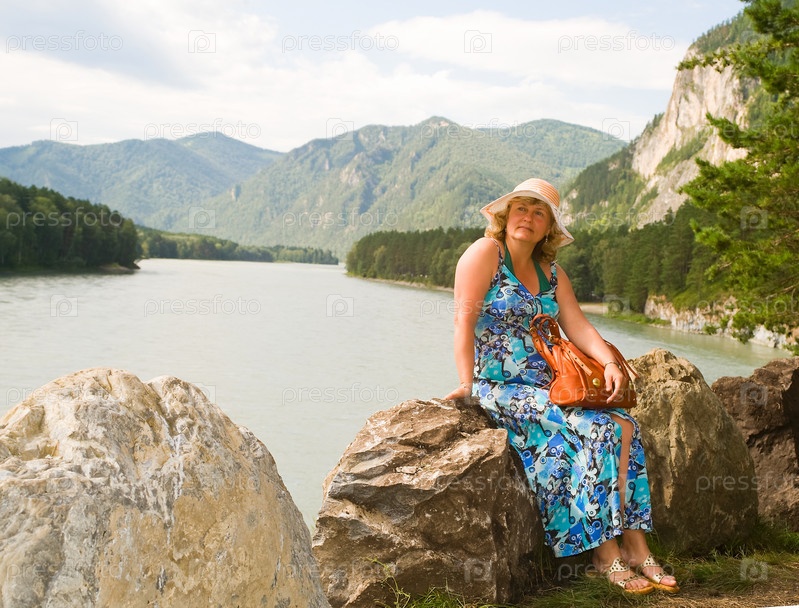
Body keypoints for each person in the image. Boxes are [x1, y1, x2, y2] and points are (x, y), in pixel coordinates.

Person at [444, 178, 679, 595]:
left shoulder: (551, 272)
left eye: (540, 213)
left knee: (625, 426)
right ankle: (605, 554)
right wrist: (466, 384)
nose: (528, 218)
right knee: (599, 429)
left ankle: (636, 546)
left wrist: (611, 362)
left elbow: (578, 325)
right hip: (502, 388)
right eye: (522, 208)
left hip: (551, 386)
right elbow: (464, 321)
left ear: (548, 228)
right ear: (506, 215)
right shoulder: (485, 253)